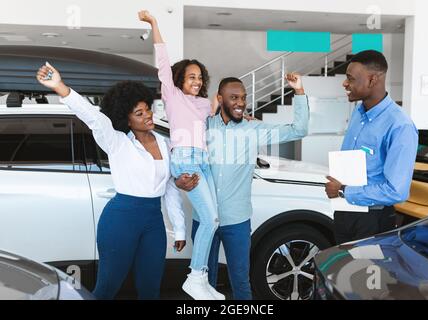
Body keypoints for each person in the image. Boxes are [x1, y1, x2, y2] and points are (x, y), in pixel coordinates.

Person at [36, 63, 186, 300]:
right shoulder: (117, 142)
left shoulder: (165, 144)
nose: (147, 116)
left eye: (147, 109)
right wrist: (60, 87)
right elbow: (91, 115)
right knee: (107, 289)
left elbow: (169, 188)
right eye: (139, 113)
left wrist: (179, 229)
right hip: (120, 221)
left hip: (153, 223)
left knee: (151, 290)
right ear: (126, 120)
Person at [176, 74, 309, 299]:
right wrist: (177, 180)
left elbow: (299, 130)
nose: (240, 103)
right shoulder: (203, 127)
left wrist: (299, 92)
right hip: (203, 218)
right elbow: (180, 156)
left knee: (240, 280)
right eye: (234, 97)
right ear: (220, 98)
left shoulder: (253, 129)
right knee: (202, 283)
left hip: (236, 221)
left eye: (243, 98)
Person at [138, 10, 223, 300]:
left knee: (209, 218)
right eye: (191, 77)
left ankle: (202, 279)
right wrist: (154, 25)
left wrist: (242, 115)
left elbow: (221, 114)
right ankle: (195, 277)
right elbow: (162, 61)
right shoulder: (173, 96)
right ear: (180, 79)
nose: (196, 81)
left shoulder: (203, 105)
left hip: (204, 161)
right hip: (185, 159)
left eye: (200, 77)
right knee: (211, 220)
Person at [325, 50, 418, 245]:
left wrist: (343, 190)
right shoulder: (359, 112)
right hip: (345, 211)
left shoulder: (400, 126)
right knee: (341, 272)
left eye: (350, 78)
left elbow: (397, 191)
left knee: (365, 275)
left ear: (372, 80)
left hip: (372, 220)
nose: (344, 83)